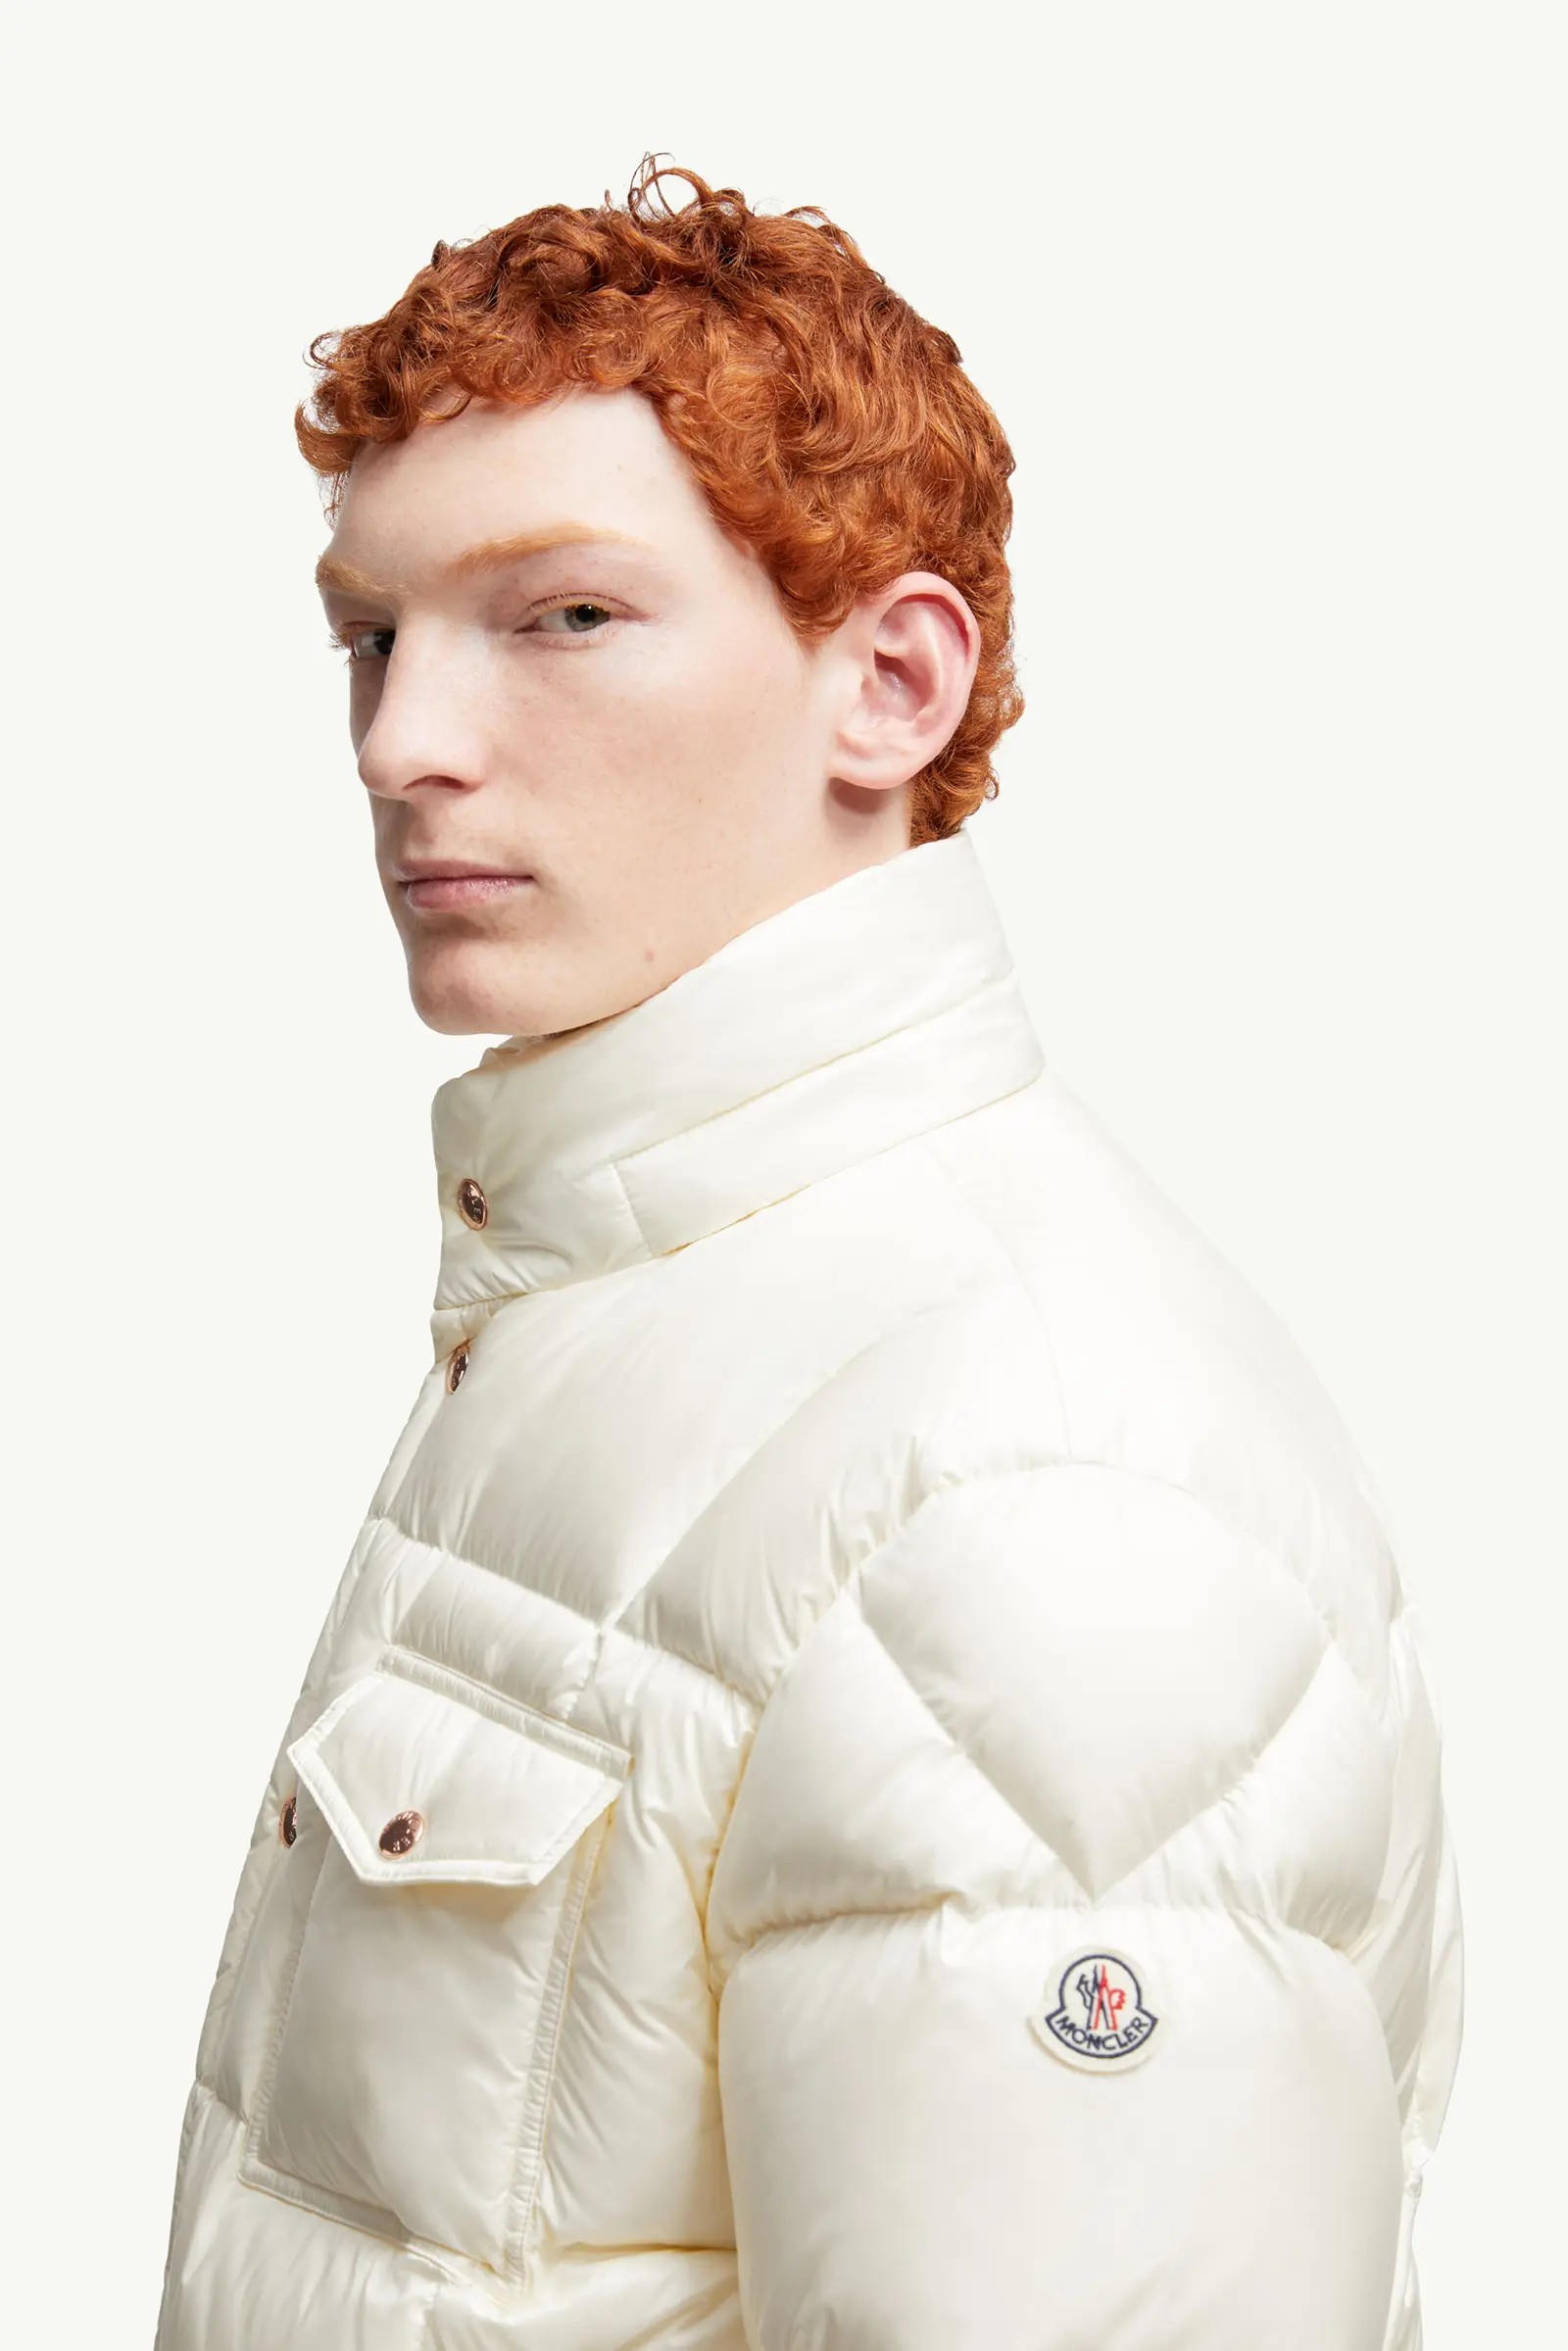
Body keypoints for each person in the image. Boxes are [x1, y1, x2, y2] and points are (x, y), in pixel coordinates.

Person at [153, 155, 1463, 2350]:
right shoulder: (622, 1298)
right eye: (370, 636)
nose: (401, 743)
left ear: (890, 684)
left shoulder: (1030, 1479)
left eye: (562, 617)